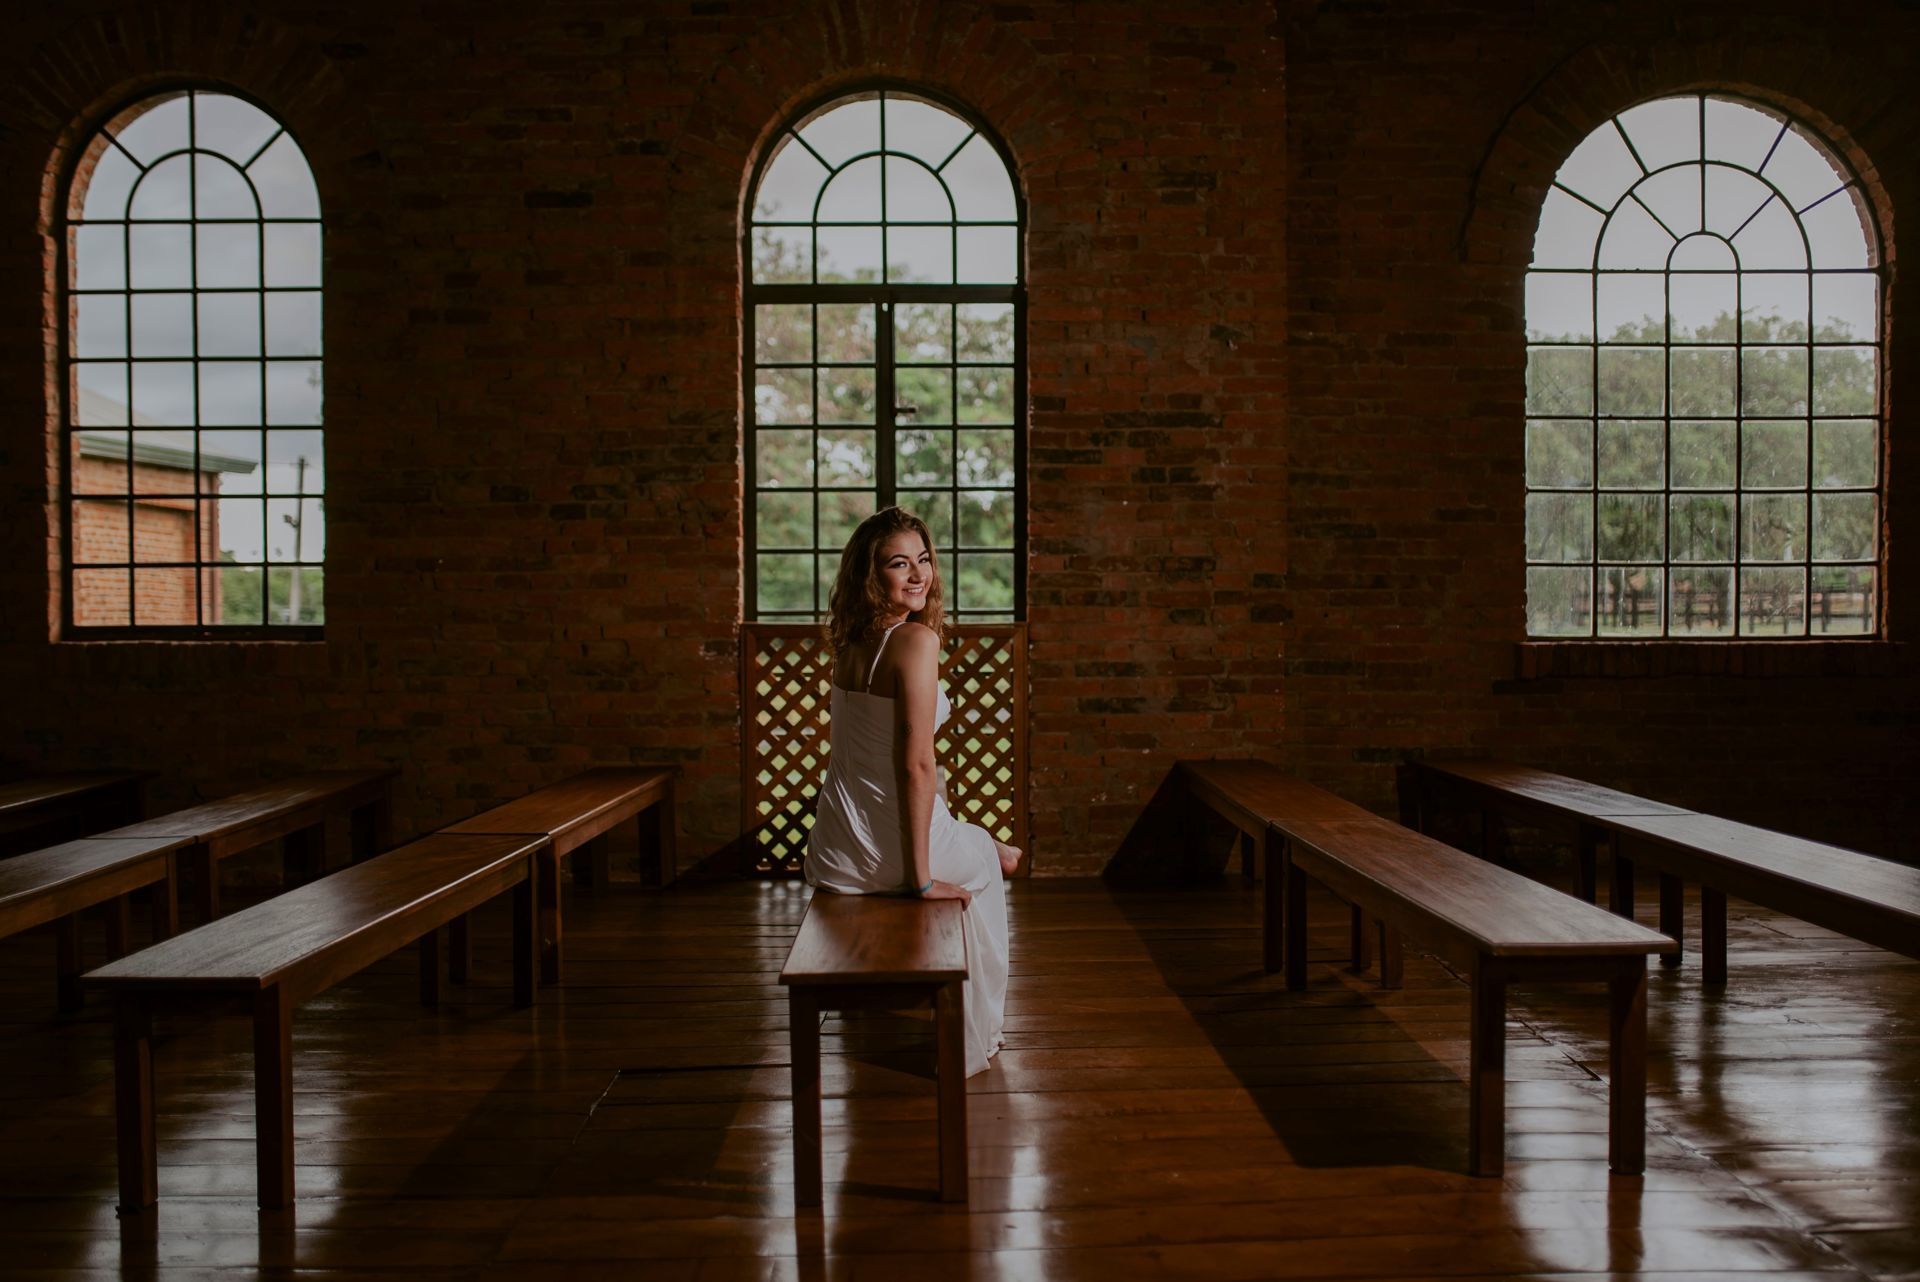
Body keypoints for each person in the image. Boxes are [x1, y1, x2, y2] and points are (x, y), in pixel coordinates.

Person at [806, 506, 1019, 1076]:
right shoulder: (915, 641)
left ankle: (987, 845)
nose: (919, 574)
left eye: (923, 559)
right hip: (887, 853)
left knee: (979, 845)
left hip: (835, 846)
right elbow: (916, 765)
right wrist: (920, 880)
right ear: (870, 574)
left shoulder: (851, 645)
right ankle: (976, 1035)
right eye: (899, 564)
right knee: (984, 869)